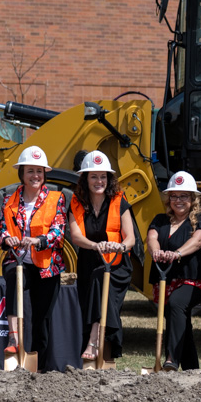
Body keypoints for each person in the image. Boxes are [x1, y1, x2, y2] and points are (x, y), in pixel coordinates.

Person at [0, 145, 66, 372]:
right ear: (22, 174)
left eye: (39, 171)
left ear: (44, 174)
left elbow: (58, 230)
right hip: (18, 261)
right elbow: (2, 228)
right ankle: (13, 338)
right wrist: (7, 238)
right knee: (12, 278)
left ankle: (42, 368)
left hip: (47, 266)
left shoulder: (57, 198)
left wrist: (39, 240)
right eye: (30, 171)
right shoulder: (9, 199)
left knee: (41, 320)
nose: (35, 176)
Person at [68, 150, 136, 364]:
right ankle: (103, 361)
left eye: (103, 176)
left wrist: (119, 247)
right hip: (89, 263)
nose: (99, 181)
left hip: (117, 266)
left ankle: (94, 342)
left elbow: (131, 238)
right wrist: (97, 246)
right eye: (94, 176)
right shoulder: (76, 202)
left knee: (101, 283)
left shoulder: (119, 201)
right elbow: (76, 236)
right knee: (95, 302)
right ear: (85, 178)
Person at [146, 171, 201, 371]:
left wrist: (176, 254)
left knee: (177, 304)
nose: (178, 200)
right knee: (180, 322)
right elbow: (152, 238)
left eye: (184, 196)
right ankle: (192, 369)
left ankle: (171, 359)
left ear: (192, 198)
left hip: (193, 279)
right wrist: (156, 252)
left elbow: (198, 240)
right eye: (174, 196)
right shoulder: (160, 219)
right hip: (166, 279)